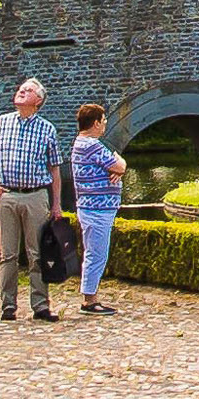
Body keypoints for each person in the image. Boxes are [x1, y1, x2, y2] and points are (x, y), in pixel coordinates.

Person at [0, 77, 64, 324]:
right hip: (7, 194)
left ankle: (40, 305)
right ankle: (8, 305)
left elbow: (55, 169)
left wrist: (56, 203)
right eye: (20, 89)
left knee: (37, 253)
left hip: (35, 195)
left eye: (27, 91)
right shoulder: (0, 123)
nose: (21, 92)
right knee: (7, 254)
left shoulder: (47, 129)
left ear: (38, 101)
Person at [68, 104, 127, 316]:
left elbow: (113, 167)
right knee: (97, 254)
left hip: (94, 209)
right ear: (95, 123)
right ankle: (89, 301)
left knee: (95, 252)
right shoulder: (91, 145)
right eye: (103, 121)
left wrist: (114, 168)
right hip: (97, 210)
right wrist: (119, 163)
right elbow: (119, 165)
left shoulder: (83, 144)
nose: (104, 125)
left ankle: (90, 297)